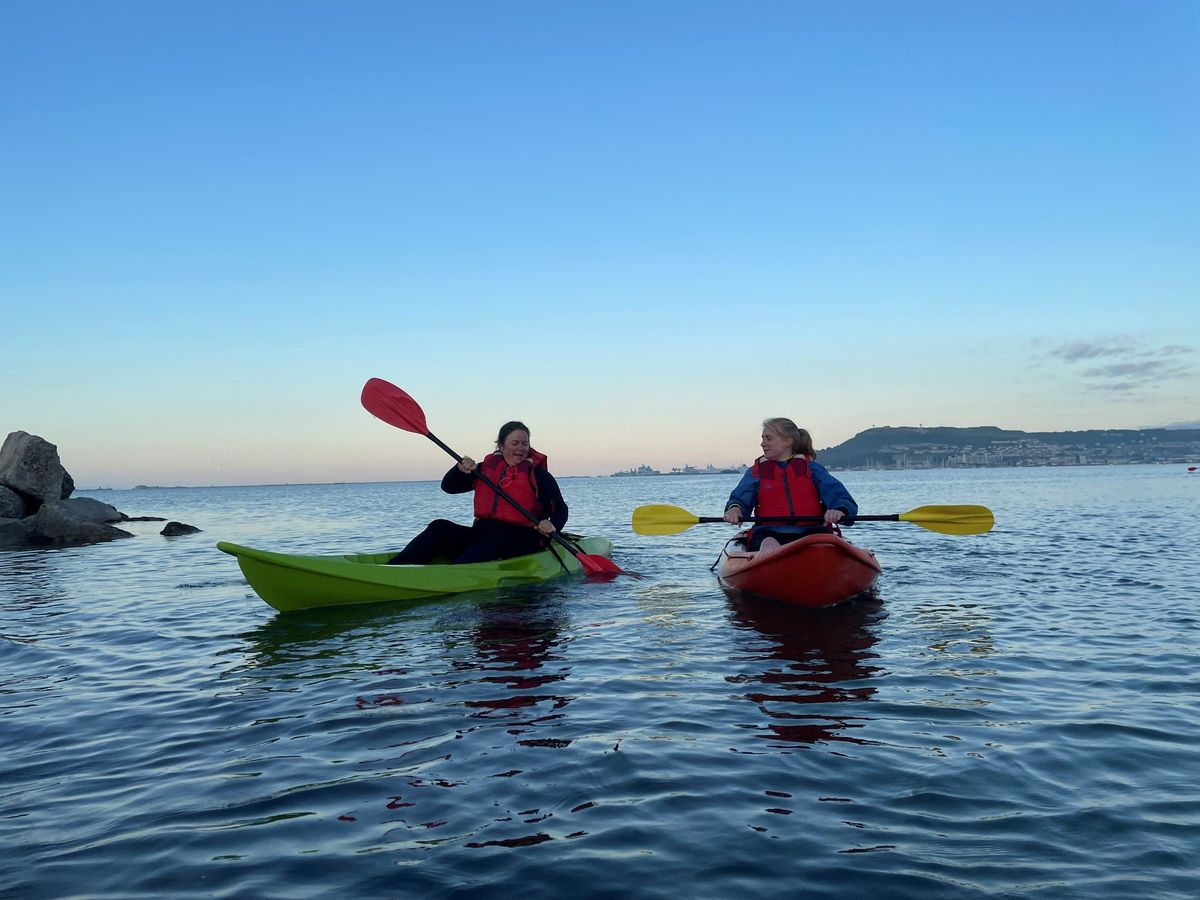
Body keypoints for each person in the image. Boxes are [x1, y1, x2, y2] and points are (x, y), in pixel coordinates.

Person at [388, 421, 568, 565]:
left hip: (523, 538)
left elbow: (560, 509)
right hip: (483, 534)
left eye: (525, 443)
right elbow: (449, 487)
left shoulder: (538, 475)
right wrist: (459, 469)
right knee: (439, 527)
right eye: (515, 443)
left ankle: (454, 573)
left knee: (493, 542)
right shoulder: (484, 470)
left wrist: (552, 525)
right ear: (501, 445)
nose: (520, 448)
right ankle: (395, 568)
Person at [723, 417, 858, 552]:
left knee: (819, 547)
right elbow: (739, 499)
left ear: (787, 441)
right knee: (769, 544)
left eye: (768, 438)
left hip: (812, 532)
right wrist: (735, 509)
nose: (762, 443)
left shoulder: (812, 470)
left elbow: (840, 496)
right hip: (768, 534)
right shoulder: (756, 473)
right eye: (762, 438)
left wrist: (839, 510)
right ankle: (773, 564)